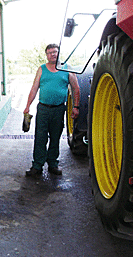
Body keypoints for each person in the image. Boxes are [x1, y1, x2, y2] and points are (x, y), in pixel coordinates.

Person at [24, 43, 80, 176]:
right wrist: (27, 106)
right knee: (40, 137)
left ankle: (53, 164)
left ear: (59, 53)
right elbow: (34, 88)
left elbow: (76, 88)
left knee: (55, 137)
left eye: (55, 52)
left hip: (59, 109)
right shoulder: (42, 69)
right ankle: (37, 166)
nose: (52, 54)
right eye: (49, 53)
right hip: (43, 109)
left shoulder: (67, 68)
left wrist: (76, 107)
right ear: (46, 55)